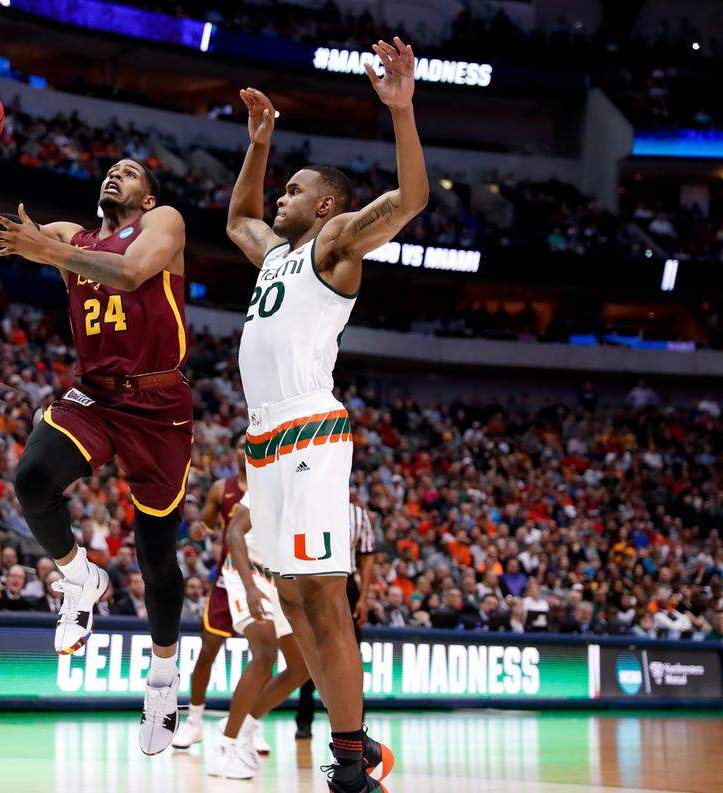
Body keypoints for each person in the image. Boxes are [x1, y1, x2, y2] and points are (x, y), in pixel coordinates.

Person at [0, 89, 191, 754]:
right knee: (32, 477)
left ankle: (161, 677)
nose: (115, 174)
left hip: (158, 402)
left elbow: (128, 274)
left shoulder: (164, 225)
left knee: (156, 557)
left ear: (148, 197)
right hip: (95, 392)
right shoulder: (73, 234)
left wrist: (50, 252)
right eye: (111, 169)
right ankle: (77, 572)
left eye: (130, 171)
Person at [225, 37, 427, 793]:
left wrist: (401, 113)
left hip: (310, 426)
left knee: (322, 594)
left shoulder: (336, 243)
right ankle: (357, 736)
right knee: (289, 598)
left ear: (327, 205)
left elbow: (410, 201)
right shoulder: (272, 254)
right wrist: (260, 146)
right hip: (262, 436)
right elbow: (239, 216)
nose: (281, 196)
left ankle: (349, 762)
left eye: (295, 188)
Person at [207, 490, 307, 779]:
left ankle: (245, 729)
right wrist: (250, 587)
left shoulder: (313, 494)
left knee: (301, 667)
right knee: (265, 654)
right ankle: (224, 747)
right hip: (247, 573)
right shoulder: (271, 479)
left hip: (282, 579)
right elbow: (234, 534)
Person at [173, 435, 246, 749]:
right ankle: (194, 722)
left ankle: (248, 728)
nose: (245, 449)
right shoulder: (221, 488)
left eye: (250, 443)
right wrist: (201, 529)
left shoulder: (273, 486)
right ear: (235, 452)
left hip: (262, 579)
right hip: (226, 581)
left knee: (263, 655)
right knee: (207, 651)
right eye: (241, 445)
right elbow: (201, 526)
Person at [295, 500, 382, 742]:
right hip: (314, 577)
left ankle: (356, 727)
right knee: (313, 649)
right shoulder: (309, 503)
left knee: (350, 652)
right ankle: (304, 721)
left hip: (347, 582)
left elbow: (367, 557)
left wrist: (364, 598)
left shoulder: (358, 514)